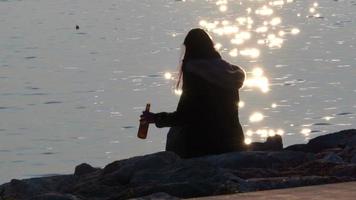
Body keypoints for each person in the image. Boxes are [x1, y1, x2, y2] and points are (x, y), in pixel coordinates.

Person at [140, 28, 246, 158]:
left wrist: (155, 118)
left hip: (206, 147)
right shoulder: (229, 72)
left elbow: (183, 116)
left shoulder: (194, 73)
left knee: (175, 131)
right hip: (234, 142)